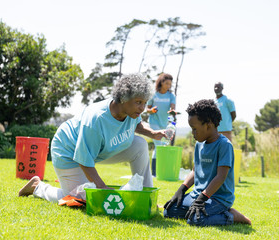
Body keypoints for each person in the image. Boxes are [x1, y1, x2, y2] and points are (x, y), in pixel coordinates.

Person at [18, 73, 168, 202]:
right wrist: (101, 187)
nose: (142, 108)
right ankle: (37, 186)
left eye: (144, 103)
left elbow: (137, 125)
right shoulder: (95, 120)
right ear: (123, 98)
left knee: (140, 145)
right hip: (68, 150)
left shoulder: (131, 112)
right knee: (82, 199)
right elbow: (84, 159)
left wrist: (153, 134)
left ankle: (146, 197)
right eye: (138, 102)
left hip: (98, 148)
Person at [163, 99, 251, 226]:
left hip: (218, 199)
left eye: (194, 129)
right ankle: (205, 210)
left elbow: (220, 177)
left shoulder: (224, 145)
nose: (192, 133)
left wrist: (203, 198)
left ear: (208, 125)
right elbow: (195, 170)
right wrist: (182, 189)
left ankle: (231, 215)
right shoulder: (199, 144)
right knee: (169, 212)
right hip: (197, 195)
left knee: (196, 219)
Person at [145, 73, 176, 176]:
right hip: (154, 123)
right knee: (159, 145)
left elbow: (172, 108)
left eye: (170, 84)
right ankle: (154, 173)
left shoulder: (171, 96)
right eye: (166, 83)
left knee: (162, 145)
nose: (168, 86)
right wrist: (152, 110)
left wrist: (172, 111)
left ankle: (160, 171)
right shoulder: (154, 94)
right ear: (161, 82)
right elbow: (147, 109)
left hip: (164, 124)